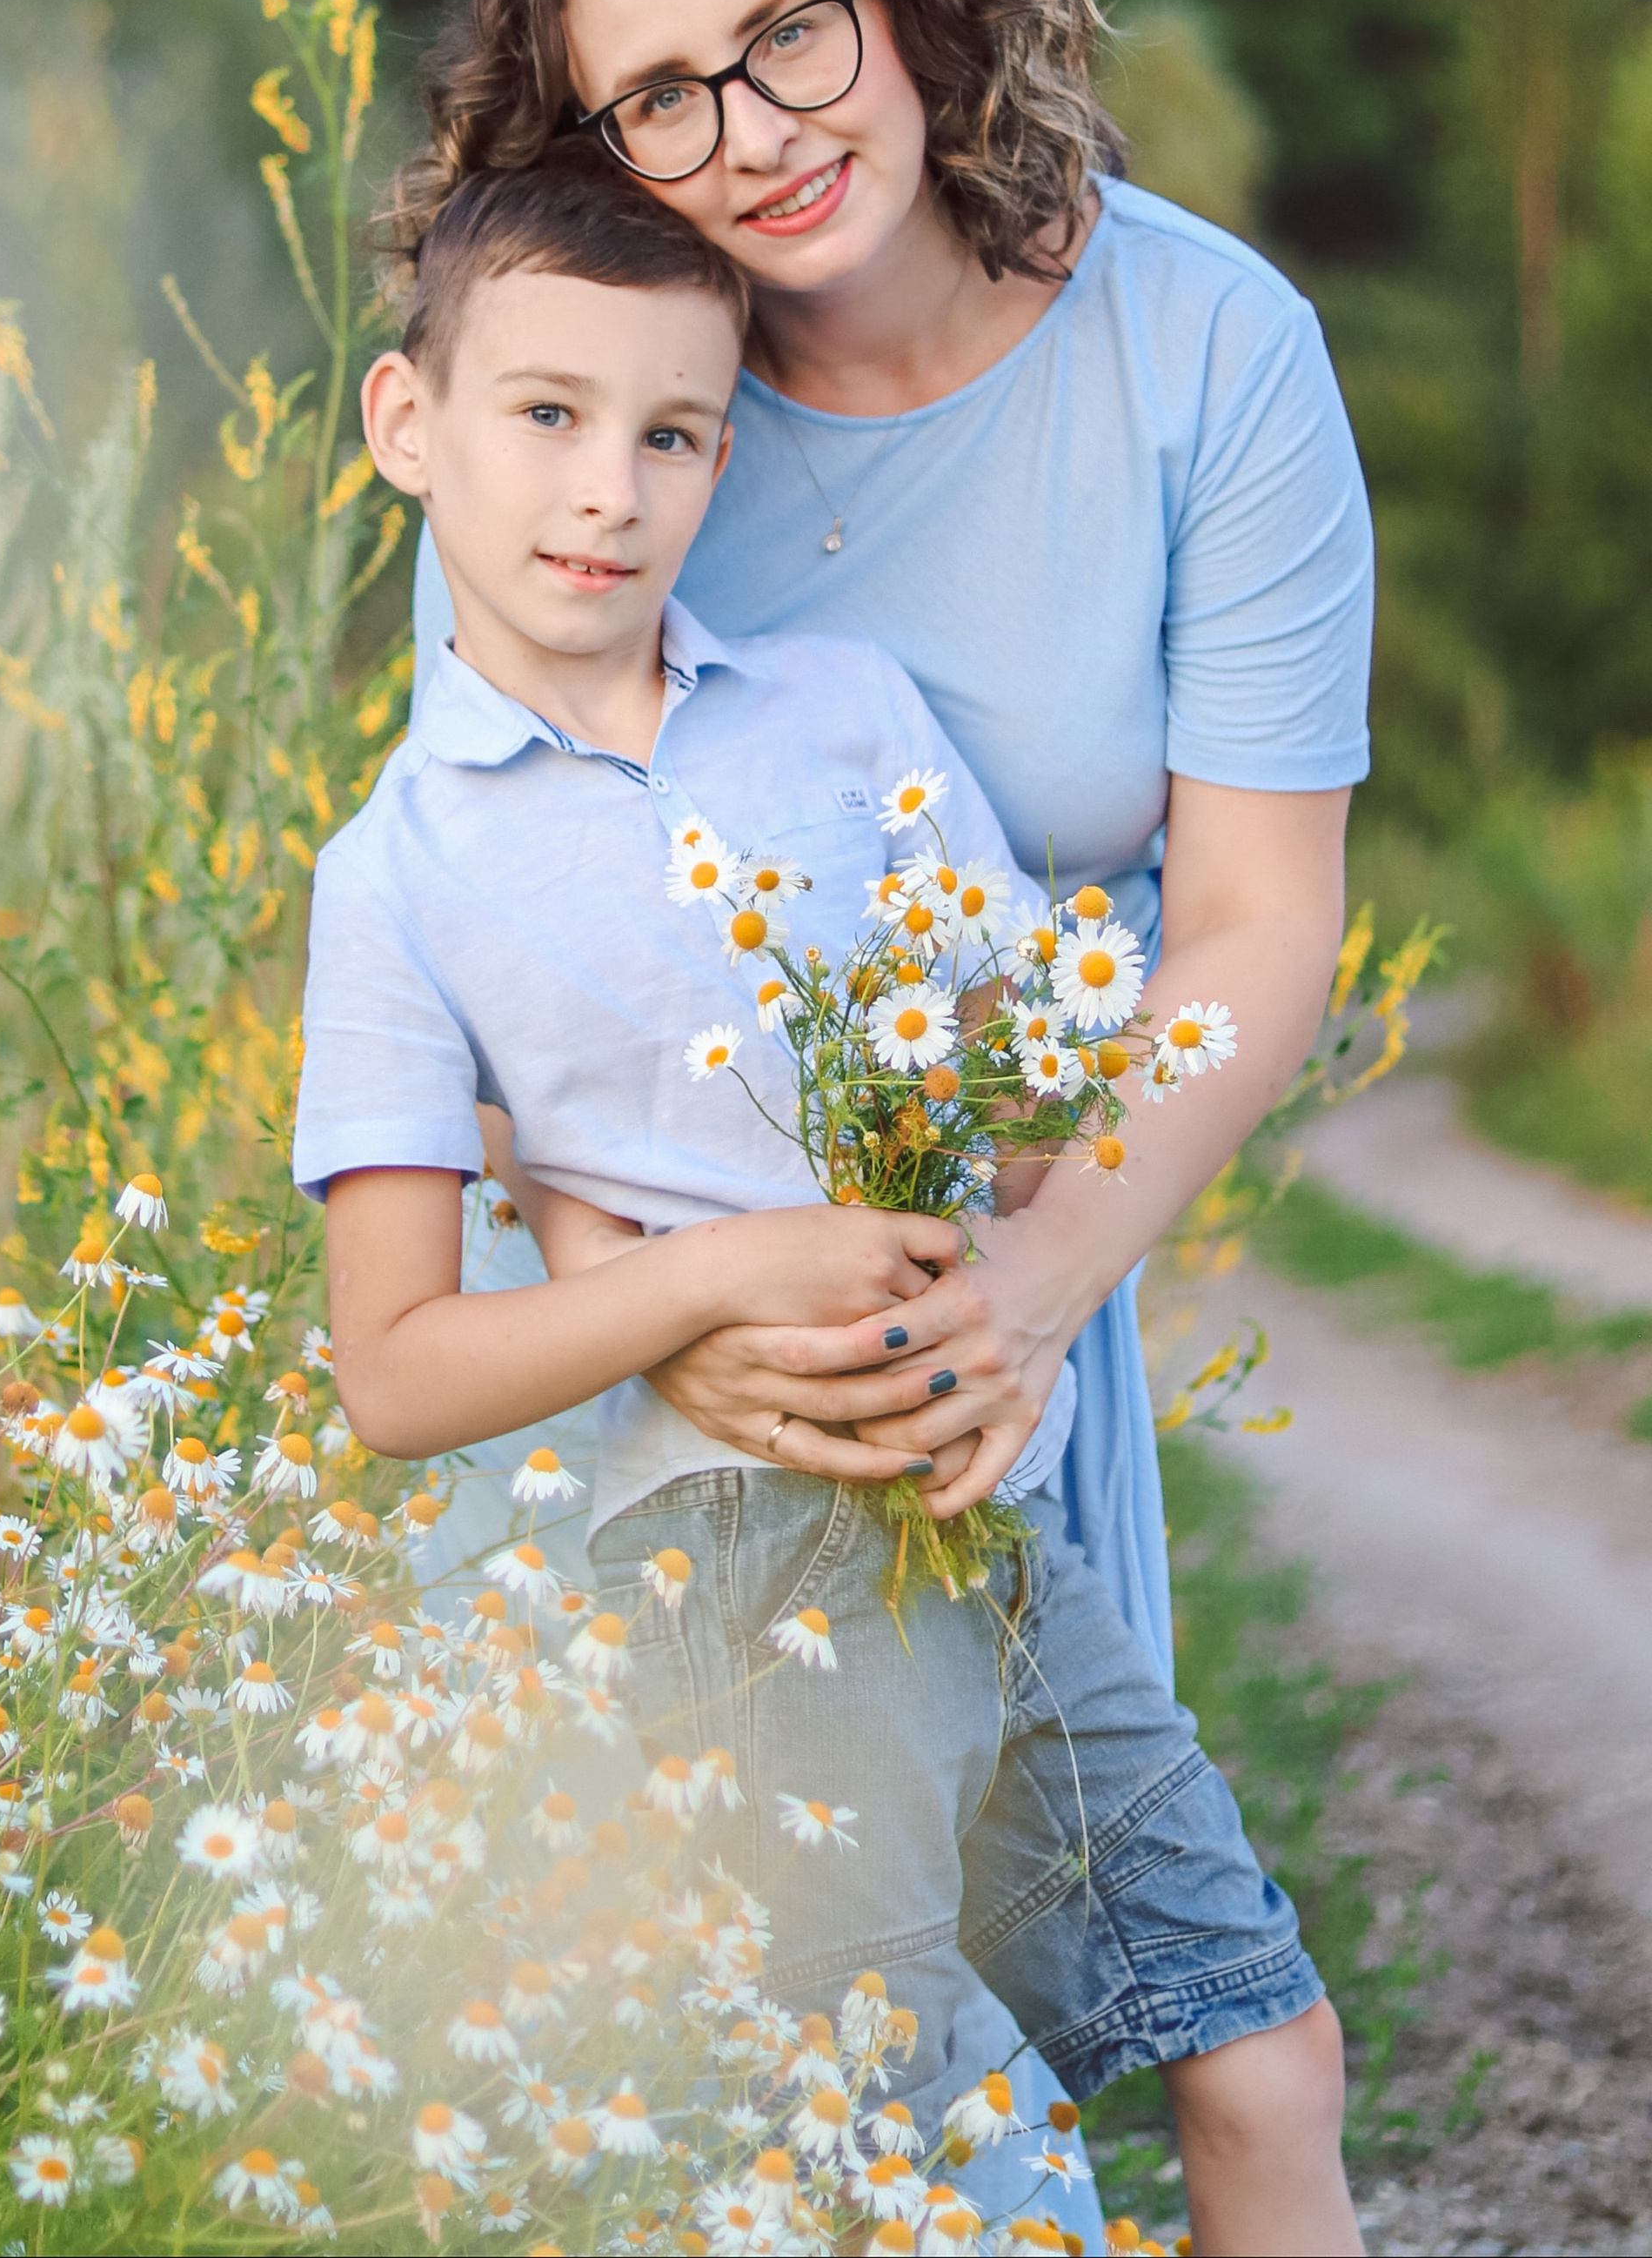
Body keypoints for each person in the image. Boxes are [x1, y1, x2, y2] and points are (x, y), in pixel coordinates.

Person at [298, 154, 1359, 2255]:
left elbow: (1029, 1106)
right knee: (904, 2155)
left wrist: (1037, 1090)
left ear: (722, 453)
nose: (606, 486)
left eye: (671, 432)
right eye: (544, 415)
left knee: (1256, 2046)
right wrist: (717, 1270)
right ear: (407, 426)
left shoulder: (842, 717)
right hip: (729, 1579)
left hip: (985, 1531)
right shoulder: (394, 875)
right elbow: (397, 1372)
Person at [394, 0, 1374, 1690]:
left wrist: (1027, 1289)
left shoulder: (1209, 348)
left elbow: (1256, 918)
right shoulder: (574, 423)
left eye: (785, 36)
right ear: (594, 155)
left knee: (1036, 1954)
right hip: (612, 1306)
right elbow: (477, 929)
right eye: (661, 99)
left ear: (908, 4)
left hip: (996, 1280)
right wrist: (667, 1314)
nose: (751, 133)